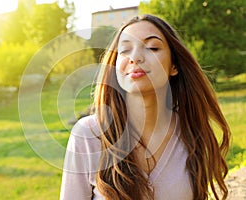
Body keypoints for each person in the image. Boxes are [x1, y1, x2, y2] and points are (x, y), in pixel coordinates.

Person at [60, 14, 230, 200]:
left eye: (152, 47)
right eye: (124, 50)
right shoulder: (88, 135)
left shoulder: (190, 131)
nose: (135, 57)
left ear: (174, 66)